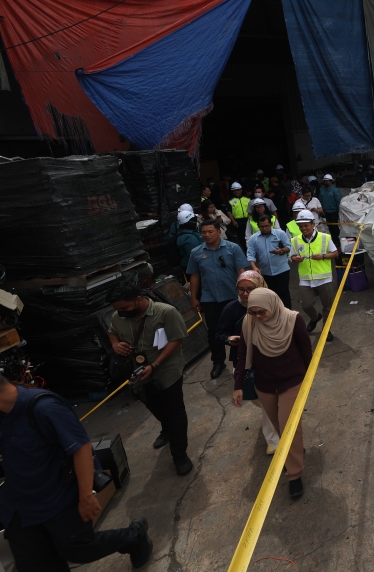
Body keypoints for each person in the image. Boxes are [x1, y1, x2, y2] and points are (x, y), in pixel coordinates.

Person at [0, 374, 154, 570]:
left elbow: (81, 448)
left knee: (80, 549)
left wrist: (86, 497)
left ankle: (135, 536)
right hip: (20, 507)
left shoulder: (43, 408)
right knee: (36, 563)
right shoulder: (3, 413)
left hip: (57, 499)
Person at [107, 279, 193, 475]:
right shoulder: (118, 316)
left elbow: (176, 338)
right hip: (138, 376)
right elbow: (112, 333)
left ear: (138, 299)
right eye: (118, 308)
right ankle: (166, 429)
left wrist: (155, 364)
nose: (121, 311)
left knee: (175, 411)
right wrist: (114, 344)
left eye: (125, 307)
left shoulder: (166, 312)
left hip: (166, 371)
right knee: (153, 405)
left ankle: (180, 454)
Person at [233, 290, 312, 499]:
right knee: (278, 425)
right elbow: (241, 355)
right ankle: (296, 451)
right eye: (253, 312)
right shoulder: (249, 323)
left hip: (292, 381)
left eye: (262, 312)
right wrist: (237, 385)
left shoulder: (293, 320)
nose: (258, 317)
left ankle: (294, 475)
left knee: (288, 426)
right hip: (265, 385)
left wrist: (309, 378)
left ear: (273, 305)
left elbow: (306, 350)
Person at [215, 272, 281, 455]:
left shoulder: (272, 303)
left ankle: (273, 441)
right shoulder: (231, 309)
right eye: (241, 289)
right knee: (257, 400)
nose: (245, 294)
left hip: (269, 358)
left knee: (269, 400)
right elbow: (219, 335)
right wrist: (229, 339)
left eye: (250, 289)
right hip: (243, 362)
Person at [186, 220, 250, 378]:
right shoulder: (196, 252)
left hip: (233, 296)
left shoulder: (233, 248)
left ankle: (246, 358)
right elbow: (194, 276)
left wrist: (247, 293)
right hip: (210, 298)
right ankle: (218, 362)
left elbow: (241, 271)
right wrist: (194, 298)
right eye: (204, 232)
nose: (206, 235)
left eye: (210, 231)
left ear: (219, 232)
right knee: (214, 332)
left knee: (242, 327)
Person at [290, 210, 338, 337]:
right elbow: (291, 257)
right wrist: (295, 259)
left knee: (327, 306)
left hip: (324, 278)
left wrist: (323, 256)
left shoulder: (324, 237)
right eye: (300, 226)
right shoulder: (295, 240)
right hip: (305, 279)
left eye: (306, 225)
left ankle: (326, 330)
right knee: (306, 305)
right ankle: (315, 317)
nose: (303, 228)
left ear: (313, 224)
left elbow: (335, 253)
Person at [247, 216, 293, 308]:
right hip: (266, 272)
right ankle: (276, 313)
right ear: (258, 226)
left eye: (266, 226)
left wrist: (280, 251)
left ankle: (288, 314)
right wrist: (254, 267)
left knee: (283, 292)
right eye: (262, 227)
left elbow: (289, 247)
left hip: (282, 269)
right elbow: (250, 254)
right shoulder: (253, 238)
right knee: (272, 294)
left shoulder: (280, 234)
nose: (264, 228)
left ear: (271, 224)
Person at [317, 174, 342, 244]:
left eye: (328, 181)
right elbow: (320, 201)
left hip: (334, 212)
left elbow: (338, 202)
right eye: (325, 181)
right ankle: (333, 241)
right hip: (326, 212)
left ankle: (338, 242)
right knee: (330, 227)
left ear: (331, 182)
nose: (326, 182)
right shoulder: (322, 190)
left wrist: (338, 212)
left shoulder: (335, 190)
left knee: (335, 228)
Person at [229, 182, 251, 247]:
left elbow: (252, 209)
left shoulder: (247, 198)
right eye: (234, 190)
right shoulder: (230, 200)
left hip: (248, 220)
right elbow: (229, 212)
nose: (236, 191)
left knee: (250, 236)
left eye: (238, 190)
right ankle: (245, 251)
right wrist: (233, 221)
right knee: (242, 238)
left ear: (241, 190)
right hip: (238, 222)